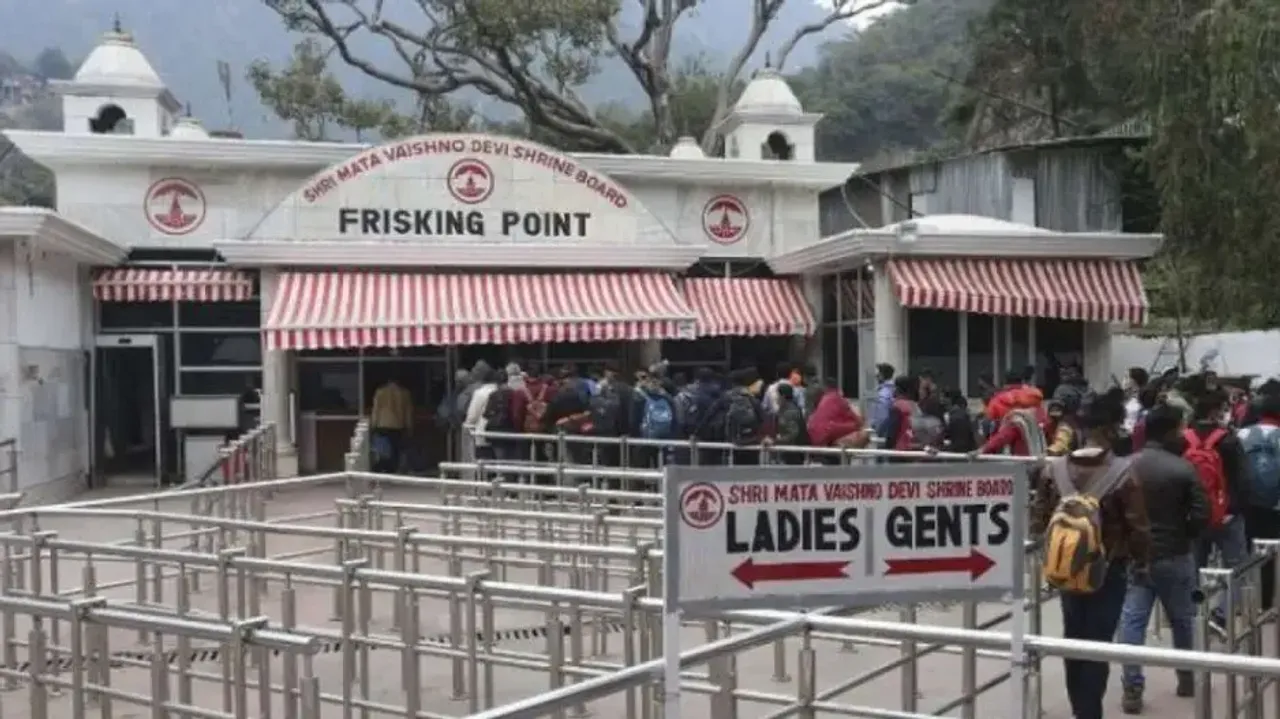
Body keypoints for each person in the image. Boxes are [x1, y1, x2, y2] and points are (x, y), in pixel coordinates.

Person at [1030, 387, 1151, 719]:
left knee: (1073, 637)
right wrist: (1142, 563)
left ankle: (1080, 708)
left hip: (1065, 569)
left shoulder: (1054, 469)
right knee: (1098, 641)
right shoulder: (1125, 472)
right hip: (1108, 570)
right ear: (1113, 430)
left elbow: (1039, 520)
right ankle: (1090, 711)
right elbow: (1139, 529)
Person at [1118, 403, 1209, 712]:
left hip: (1136, 555)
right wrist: (1184, 533)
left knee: (1132, 620)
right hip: (1175, 553)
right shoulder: (1183, 468)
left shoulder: (1127, 465)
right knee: (1182, 619)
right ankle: (1185, 676)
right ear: (1170, 431)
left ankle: (1132, 685)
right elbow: (1201, 514)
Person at [1186, 383, 1250, 635]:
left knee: (1194, 568)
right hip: (1227, 516)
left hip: (1193, 515)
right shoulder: (1229, 439)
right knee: (1238, 568)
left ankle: (1192, 616)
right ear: (1216, 411)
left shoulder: (1183, 438)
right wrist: (1232, 509)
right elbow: (1243, 480)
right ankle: (1220, 615)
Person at [1238, 389, 1280, 614]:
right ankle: (1265, 604)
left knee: (1246, 550)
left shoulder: (1241, 435)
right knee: (1270, 553)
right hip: (1275, 505)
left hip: (1246, 504)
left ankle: (1244, 601)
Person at [369, 377, 413, 472]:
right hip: (398, 425)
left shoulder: (380, 392)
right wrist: (409, 427)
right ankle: (392, 470)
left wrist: (373, 425)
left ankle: (381, 467)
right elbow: (407, 412)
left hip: (382, 423)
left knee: (382, 450)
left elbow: (376, 410)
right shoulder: (404, 393)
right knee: (395, 450)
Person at [463, 368, 501, 461]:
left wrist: (467, 425)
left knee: (483, 464)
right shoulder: (501, 391)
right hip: (499, 433)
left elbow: (472, 415)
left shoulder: (479, 393)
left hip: (482, 434)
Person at [772, 383, 808, 463]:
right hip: (788, 452)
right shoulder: (785, 410)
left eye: (777, 395)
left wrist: (775, 441)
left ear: (783, 396)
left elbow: (793, 434)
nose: (776, 397)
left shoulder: (790, 412)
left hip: (793, 454)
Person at [869, 363, 895, 430]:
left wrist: (877, 427)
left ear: (883, 375)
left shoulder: (885, 392)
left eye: (878, 374)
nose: (876, 376)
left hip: (881, 429)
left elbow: (882, 414)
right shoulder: (884, 389)